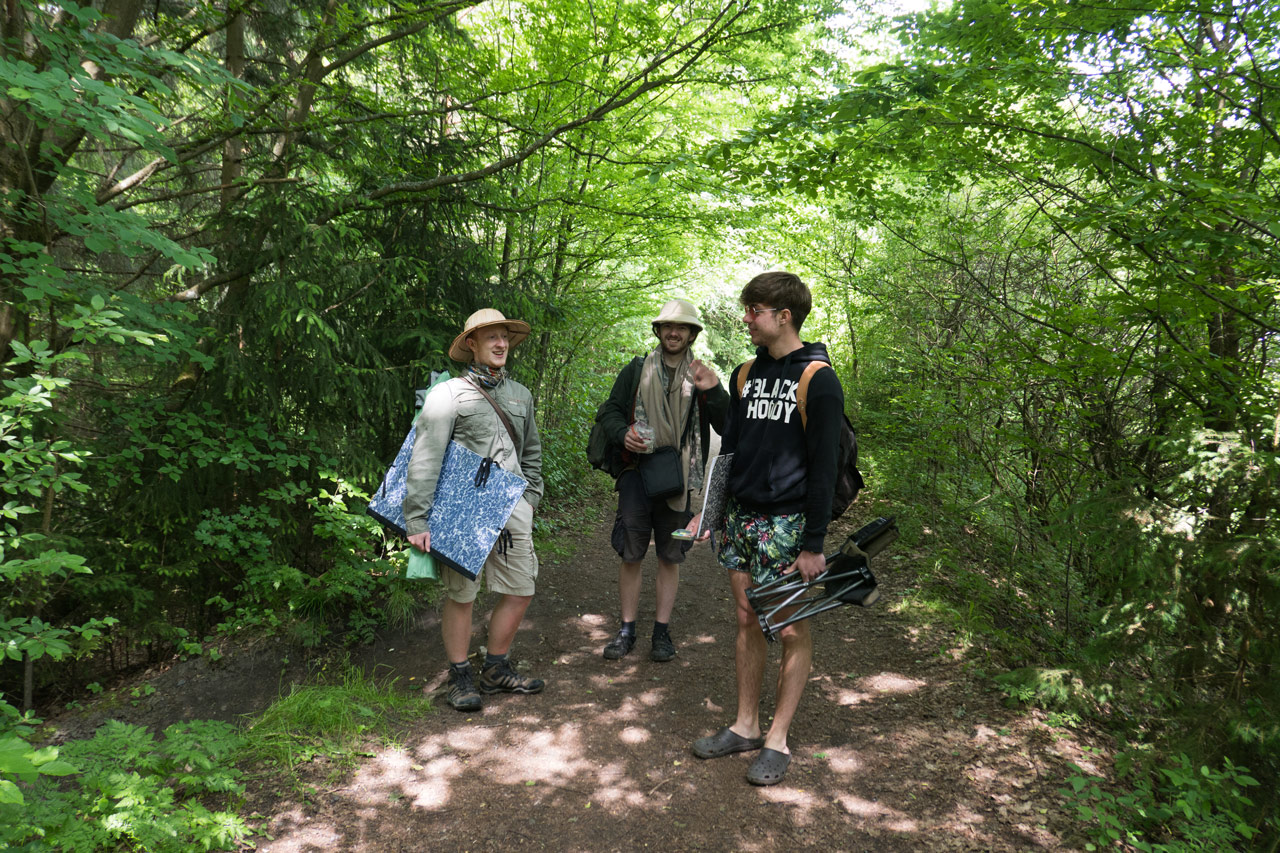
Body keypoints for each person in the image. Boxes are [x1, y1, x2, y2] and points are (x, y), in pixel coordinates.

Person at [688, 271, 844, 786]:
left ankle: (778, 739)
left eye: (754, 310)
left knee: (791, 627)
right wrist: (710, 513)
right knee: (745, 619)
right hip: (741, 518)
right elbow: (731, 450)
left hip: (788, 524)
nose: (746, 318)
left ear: (784, 316)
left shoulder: (818, 380)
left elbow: (824, 469)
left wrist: (814, 544)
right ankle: (745, 726)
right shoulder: (745, 373)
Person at [403, 308, 545, 712]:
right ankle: (460, 675)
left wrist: (530, 498)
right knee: (462, 594)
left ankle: (495, 668)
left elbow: (531, 452)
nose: (501, 344)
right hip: (462, 509)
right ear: (471, 344)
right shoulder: (448, 394)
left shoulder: (520, 395)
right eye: (491, 337)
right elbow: (426, 456)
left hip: (512, 506)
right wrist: (417, 518)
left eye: (505, 337)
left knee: (521, 588)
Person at [595, 298, 729, 662]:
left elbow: (727, 425)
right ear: (658, 330)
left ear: (692, 334)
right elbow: (609, 410)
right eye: (668, 326)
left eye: (681, 327)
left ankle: (661, 632)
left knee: (671, 557)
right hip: (636, 474)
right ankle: (626, 630)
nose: (674, 332)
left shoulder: (702, 375)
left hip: (679, 480)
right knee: (631, 554)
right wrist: (623, 433)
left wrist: (714, 390)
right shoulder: (637, 369)